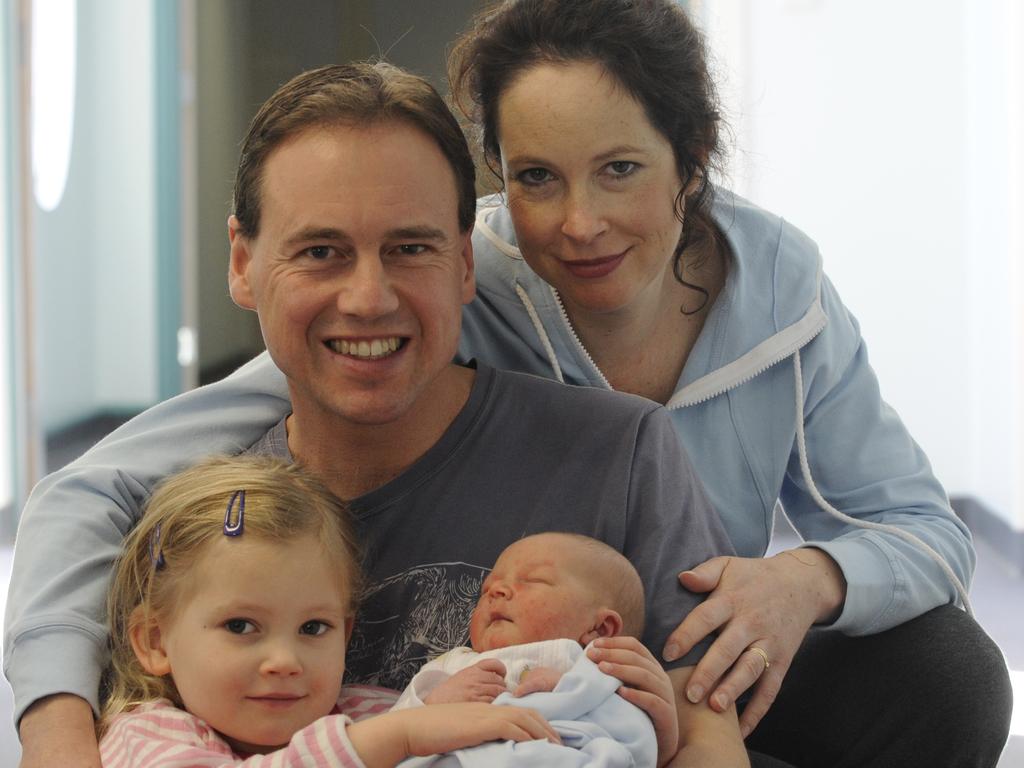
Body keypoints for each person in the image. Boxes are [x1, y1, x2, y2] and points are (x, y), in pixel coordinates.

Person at [29, 1, 1003, 763]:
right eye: (537, 177)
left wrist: (806, 578)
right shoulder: (456, 284)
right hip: (508, 680)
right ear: (496, 191)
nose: (578, 222)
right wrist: (58, 735)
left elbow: (920, 531)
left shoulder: (784, 305)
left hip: (686, 650)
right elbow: (110, 480)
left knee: (944, 676)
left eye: (620, 168)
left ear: (690, 164)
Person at [5, 61, 747, 768]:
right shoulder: (195, 524)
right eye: (322, 250)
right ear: (242, 263)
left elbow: (707, 729)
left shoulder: (622, 459)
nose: (368, 298)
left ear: (463, 263)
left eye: (410, 248)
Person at [98, 454, 561, 766]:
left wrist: (575, 685)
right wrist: (396, 739)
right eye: (241, 626)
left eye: (314, 627)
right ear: (155, 642)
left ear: (347, 630)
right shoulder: (144, 736)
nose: (284, 661)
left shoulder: (372, 710)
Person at [393, 533, 676, 767]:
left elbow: (633, 740)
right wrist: (435, 703)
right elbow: (389, 733)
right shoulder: (453, 663)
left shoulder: (600, 668)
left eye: (533, 581)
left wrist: (573, 689)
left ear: (599, 629)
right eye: (486, 589)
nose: (496, 591)